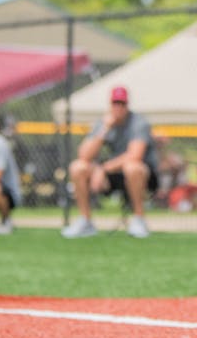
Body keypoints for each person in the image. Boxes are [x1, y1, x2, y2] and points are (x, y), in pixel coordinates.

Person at [61, 85, 157, 239]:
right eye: (115, 103)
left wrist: (103, 169)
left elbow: (135, 155)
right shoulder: (104, 123)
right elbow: (84, 155)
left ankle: (139, 220)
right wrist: (104, 129)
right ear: (110, 104)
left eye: (122, 104)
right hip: (112, 174)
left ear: (127, 105)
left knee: (133, 167)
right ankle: (86, 221)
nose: (118, 107)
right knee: (78, 167)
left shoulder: (139, 123)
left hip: (142, 176)